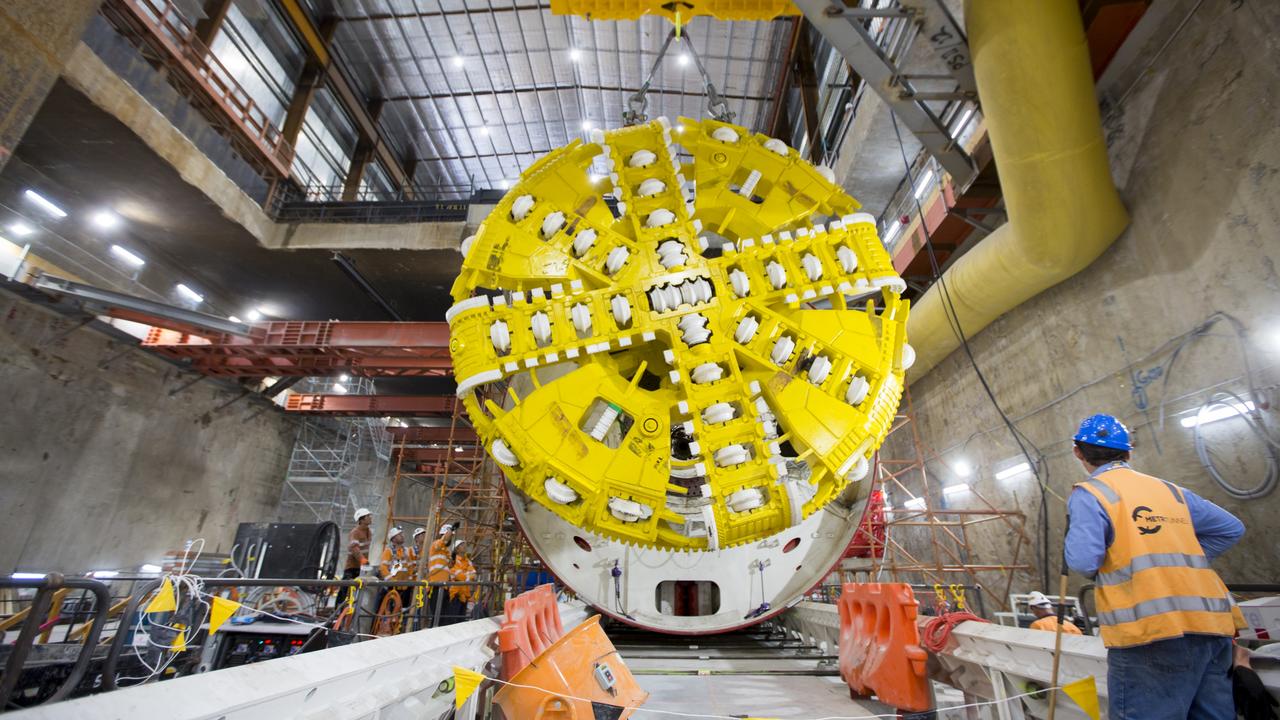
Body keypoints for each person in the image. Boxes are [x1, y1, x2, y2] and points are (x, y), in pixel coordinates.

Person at [1064, 413, 1244, 720]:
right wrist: (1179, 560)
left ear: (1078, 452)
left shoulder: (1091, 494)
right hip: (1213, 626)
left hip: (1150, 631)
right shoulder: (1170, 491)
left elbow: (1083, 560)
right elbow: (1231, 528)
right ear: (1129, 452)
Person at [338, 508, 373, 607]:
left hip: (361, 568)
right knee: (345, 591)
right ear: (361, 520)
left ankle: (352, 611)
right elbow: (354, 548)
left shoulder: (368, 532)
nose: (370, 518)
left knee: (358, 590)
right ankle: (338, 611)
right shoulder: (355, 532)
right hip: (351, 568)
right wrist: (362, 559)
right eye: (368, 516)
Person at [378, 527, 415, 614]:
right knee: (391, 610)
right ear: (393, 538)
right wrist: (391, 580)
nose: (402, 536)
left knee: (404, 611)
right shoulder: (389, 551)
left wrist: (411, 580)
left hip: (405, 587)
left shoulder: (406, 551)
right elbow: (383, 567)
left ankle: (400, 626)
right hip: (393, 588)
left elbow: (409, 567)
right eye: (400, 535)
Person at [425, 523, 455, 624]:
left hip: (444, 587)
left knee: (443, 617)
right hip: (435, 586)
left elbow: (449, 566)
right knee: (437, 616)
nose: (450, 539)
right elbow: (441, 543)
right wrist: (448, 533)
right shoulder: (436, 545)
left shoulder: (446, 552)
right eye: (450, 536)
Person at [444, 539, 477, 625]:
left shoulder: (468, 561)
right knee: (452, 621)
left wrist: (465, 576)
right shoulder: (453, 560)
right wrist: (466, 576)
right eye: (461, 545)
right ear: (456, 549)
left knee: (461, 622)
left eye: (464, 544)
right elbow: (457, 575)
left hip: (464, 594)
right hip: (454, 594)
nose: (464, 546)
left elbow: (473, 574)